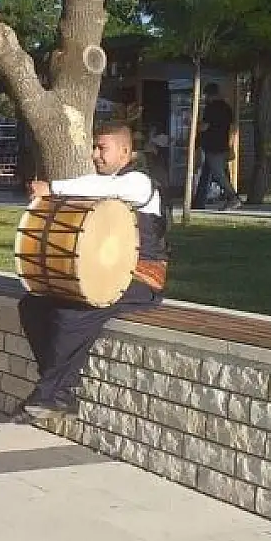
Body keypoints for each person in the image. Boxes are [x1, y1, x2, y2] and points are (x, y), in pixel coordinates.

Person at [16, 121, 168, 423]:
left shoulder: (138, 182)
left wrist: (53, 187)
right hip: (110, 274)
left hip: (143, 278)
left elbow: (102, 188)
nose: (96, 154)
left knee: (76, 312)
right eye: (95, 148)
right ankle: (60, 391)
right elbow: (90, 185)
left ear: (125, 151)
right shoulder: (99, 182)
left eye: (103, 148)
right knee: (33, 304)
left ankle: (50, 393)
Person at [193, 83, 242, 210]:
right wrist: (230, 146)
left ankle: (233, 197)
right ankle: (199, 202)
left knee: (218, 173)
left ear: (208, 95)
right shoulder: (226, 107)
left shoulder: (210, 108)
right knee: (209, 172)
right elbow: (232, 127)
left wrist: (194, 126)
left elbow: (205, 126)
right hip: (223, 143)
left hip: (212, 144)